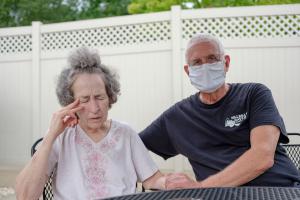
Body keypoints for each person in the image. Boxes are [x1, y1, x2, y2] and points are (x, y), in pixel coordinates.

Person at [139, 33, 300, 188]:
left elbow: (262, 156)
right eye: (197, 62)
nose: (205, 67)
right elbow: (131, 145)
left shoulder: (253, 93)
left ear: (226, 62)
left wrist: (201, 187)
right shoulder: (177, 117)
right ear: (188, 71)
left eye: (212, 59)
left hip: (282, 189)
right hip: (220, 195)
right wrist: (157, 181)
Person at [15, 47, 165, 200]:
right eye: (84, 100)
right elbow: (25, 196)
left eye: (100, 97)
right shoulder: (60, 136)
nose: (95, 108)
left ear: (110, 97)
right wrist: (50, 136)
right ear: (70, 102)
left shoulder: (126, 134)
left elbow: (152, 179)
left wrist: (168, 183)